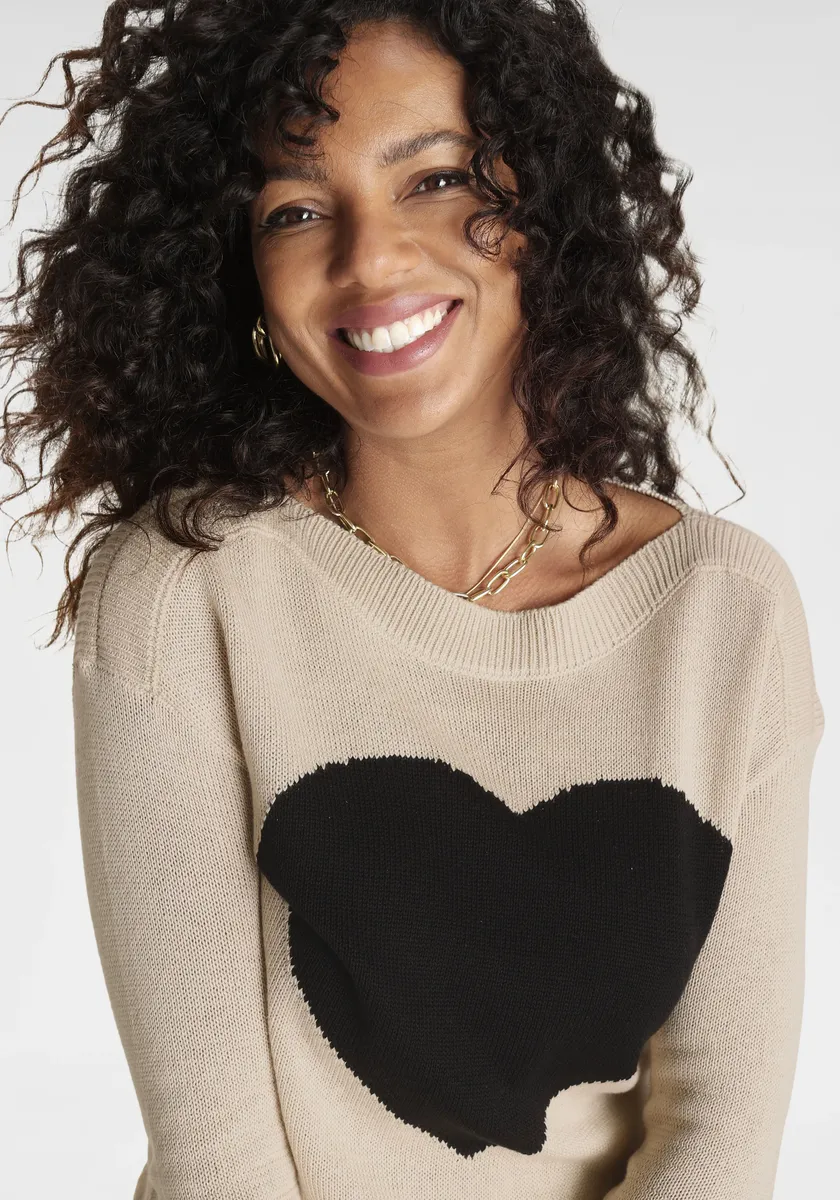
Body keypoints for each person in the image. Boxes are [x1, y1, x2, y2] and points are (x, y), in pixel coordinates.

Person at [0, 2, 823, 1198]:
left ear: (541, 213)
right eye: (295, 209)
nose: (371, 259)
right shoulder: (187, 593)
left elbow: (720, 1133)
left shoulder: (724, 611)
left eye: (434, 180)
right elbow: (216, 1160)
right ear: (239, 275)